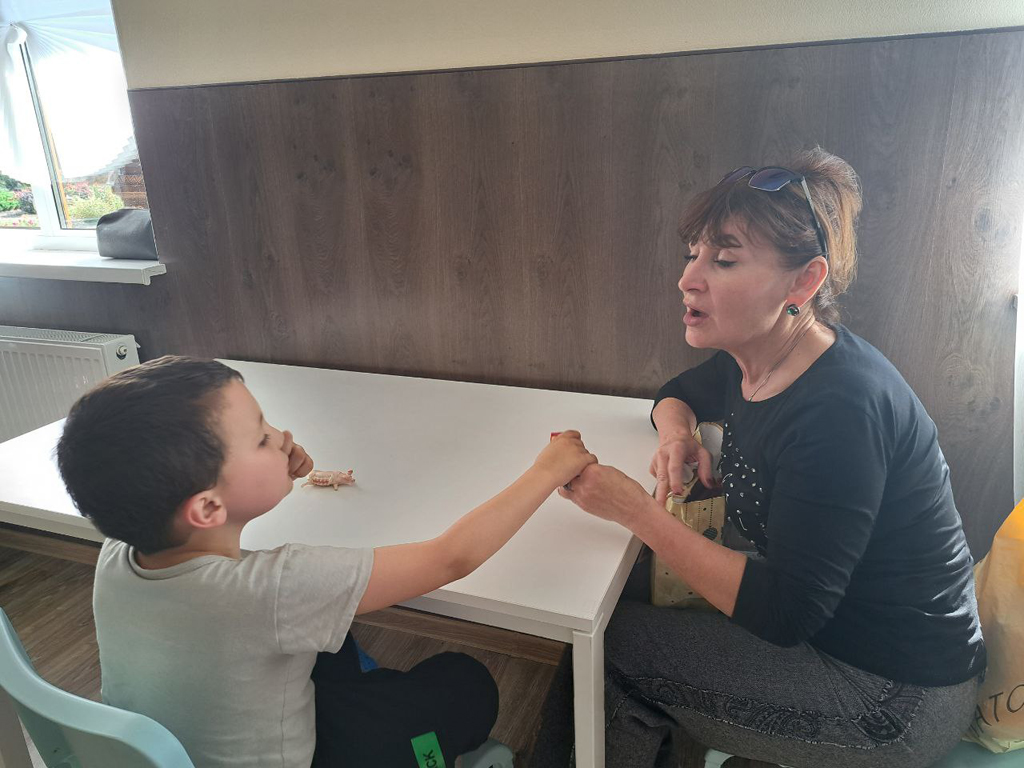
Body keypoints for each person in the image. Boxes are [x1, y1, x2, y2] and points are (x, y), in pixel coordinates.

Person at [530, 149, 985, 768]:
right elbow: (677, 392)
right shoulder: (762, 355)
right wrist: (676, 435)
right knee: (612, 599)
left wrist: (637, 512)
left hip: (895, 695)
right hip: (837, 630)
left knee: (613, 652)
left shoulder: (839, 411)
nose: (689, 279)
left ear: (804, 282)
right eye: (693, 254)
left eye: (724, 260)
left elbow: (787, 613)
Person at [56, 355, 596, 768]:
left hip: (186, 748)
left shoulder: (120, 552)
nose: (283, 436)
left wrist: (266, 470)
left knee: (329, 645)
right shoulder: (276, 591)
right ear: (208, 507)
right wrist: (547, 470)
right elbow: (452, 558)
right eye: (262, 437)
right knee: (466, 681)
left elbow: (213, 550)